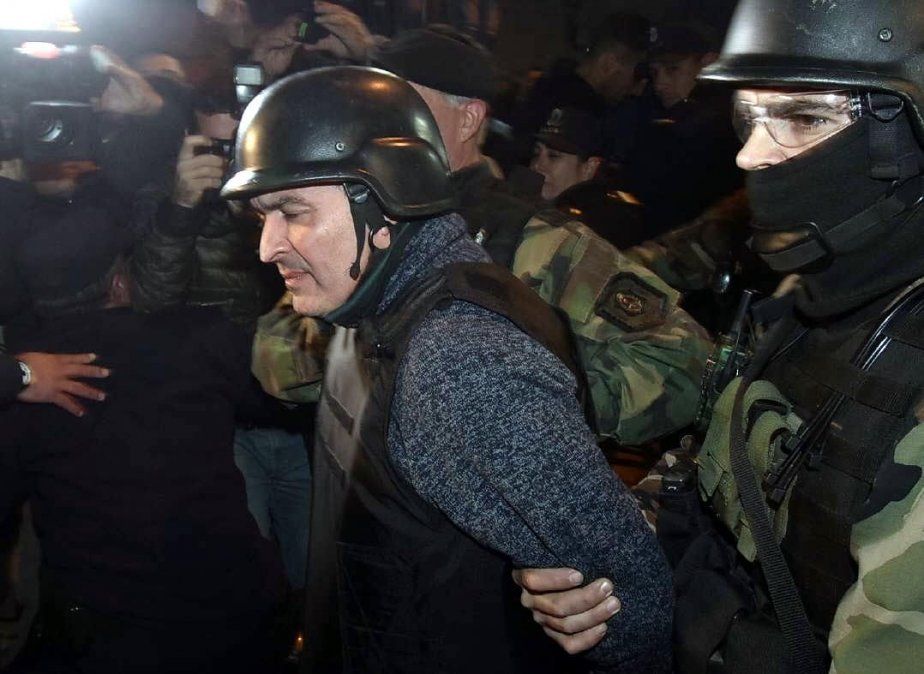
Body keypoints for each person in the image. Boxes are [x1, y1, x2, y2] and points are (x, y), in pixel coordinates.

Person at [222, 65, 673, 673]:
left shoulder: (459, 359)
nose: (267, 246)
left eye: (293, 211)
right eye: (262, 217)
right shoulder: (371, 305)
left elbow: (628, 598)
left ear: (388, 197)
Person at [515, 1, 924, 672]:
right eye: (749, 117)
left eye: (803, 118)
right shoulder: (805, 296)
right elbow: (718, 474)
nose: (750, 153)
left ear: (904, 137)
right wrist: (615, 556)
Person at [254, 24, 712, 446]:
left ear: (469, 119)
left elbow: (683, 361)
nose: (374, 124)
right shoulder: (361, 216)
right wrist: (364, 351)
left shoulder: (536, 241)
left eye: (398, 106)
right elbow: (272, 354)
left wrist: (525, 406)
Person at [0, 211, 285, 674]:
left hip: (101, 637)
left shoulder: (25, 388)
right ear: (119, 283)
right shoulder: (201, 336)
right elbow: (277, 400)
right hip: (231, 617)